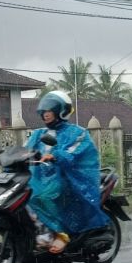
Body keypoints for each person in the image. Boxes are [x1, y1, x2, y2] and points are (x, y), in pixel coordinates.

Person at [25, 91, 110, 253]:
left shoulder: (78, 133)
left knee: (43, 195)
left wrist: (55, 155)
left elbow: (72, 154)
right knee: (25, 194)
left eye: (49, 111)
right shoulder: (38, 134)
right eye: (43, 111)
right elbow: (27, 150)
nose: (45, 114)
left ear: (61, 111)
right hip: (46, 178)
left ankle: (60, 234)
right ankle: (38, 232)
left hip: (71, 179)